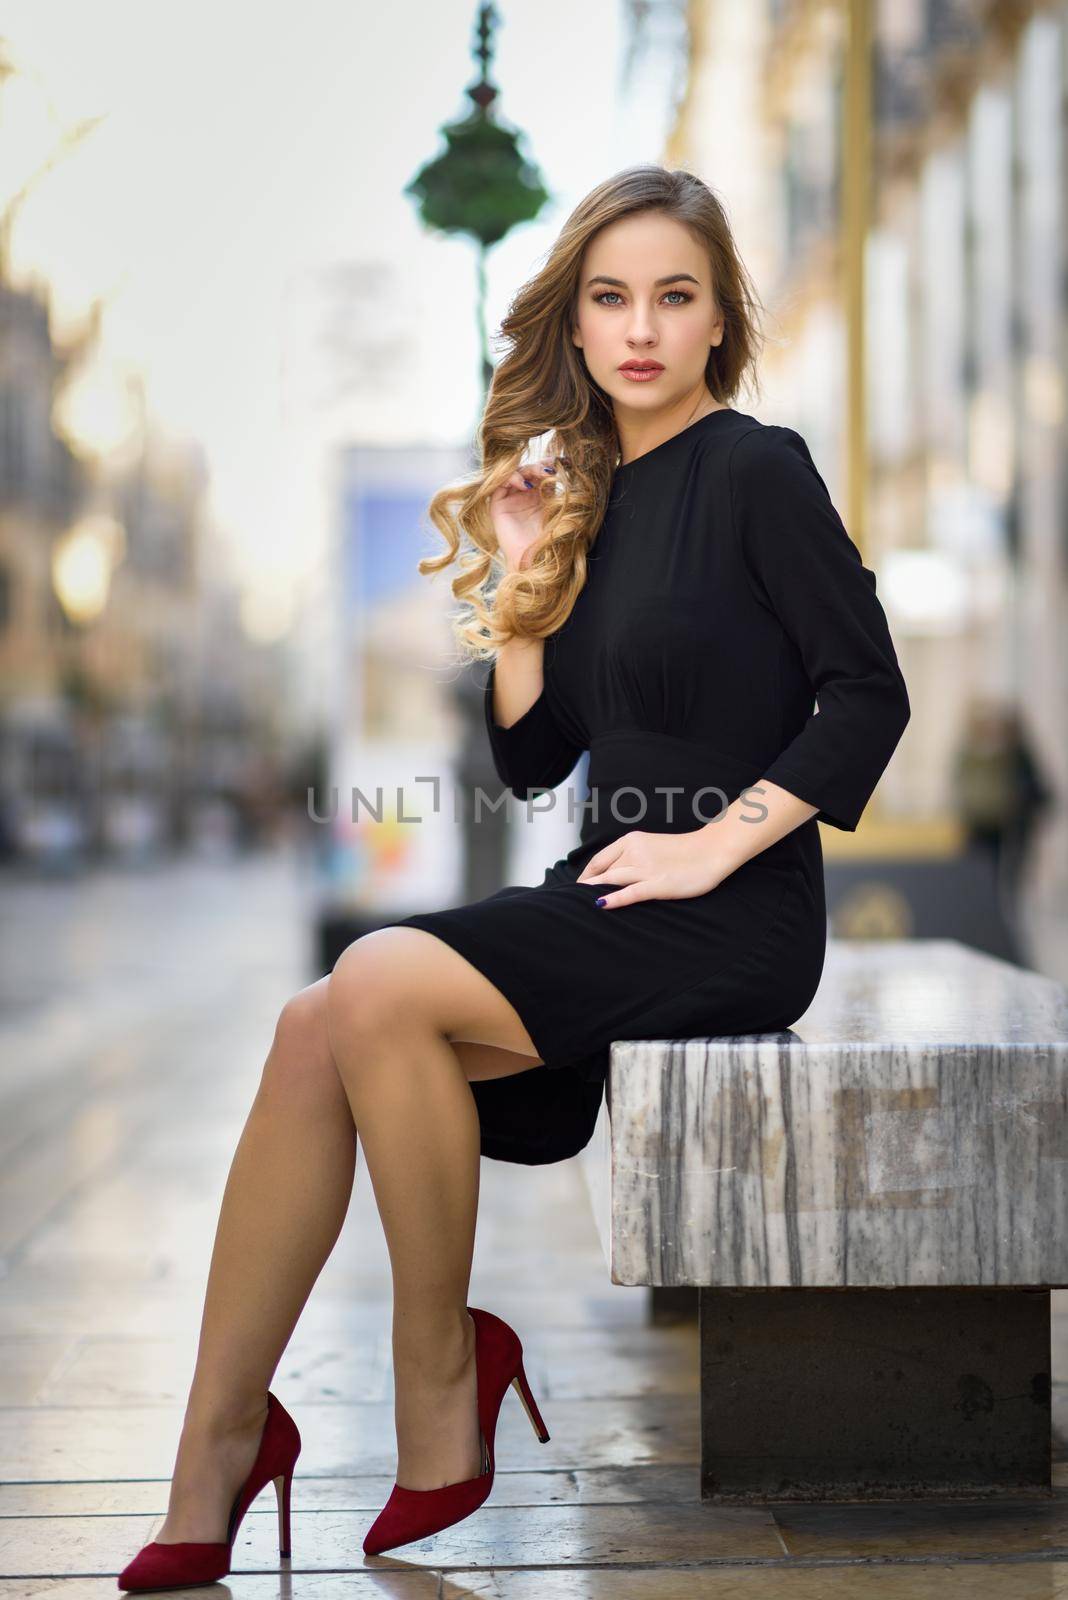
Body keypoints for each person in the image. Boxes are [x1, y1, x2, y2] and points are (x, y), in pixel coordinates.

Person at [117, 164, 911, 1588]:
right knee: (317, 1029)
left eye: (676, 296)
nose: (641, 328)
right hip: (607, 896)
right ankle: (219, 1445)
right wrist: (527, 572)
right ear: (579, 323)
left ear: (723, 317)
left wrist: (715, 839)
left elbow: (866, 696)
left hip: (732, 914)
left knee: (370, 980)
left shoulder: (758, 471)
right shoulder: (595, 500)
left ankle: (441, 1378)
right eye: (611, 298)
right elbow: (537, 761)